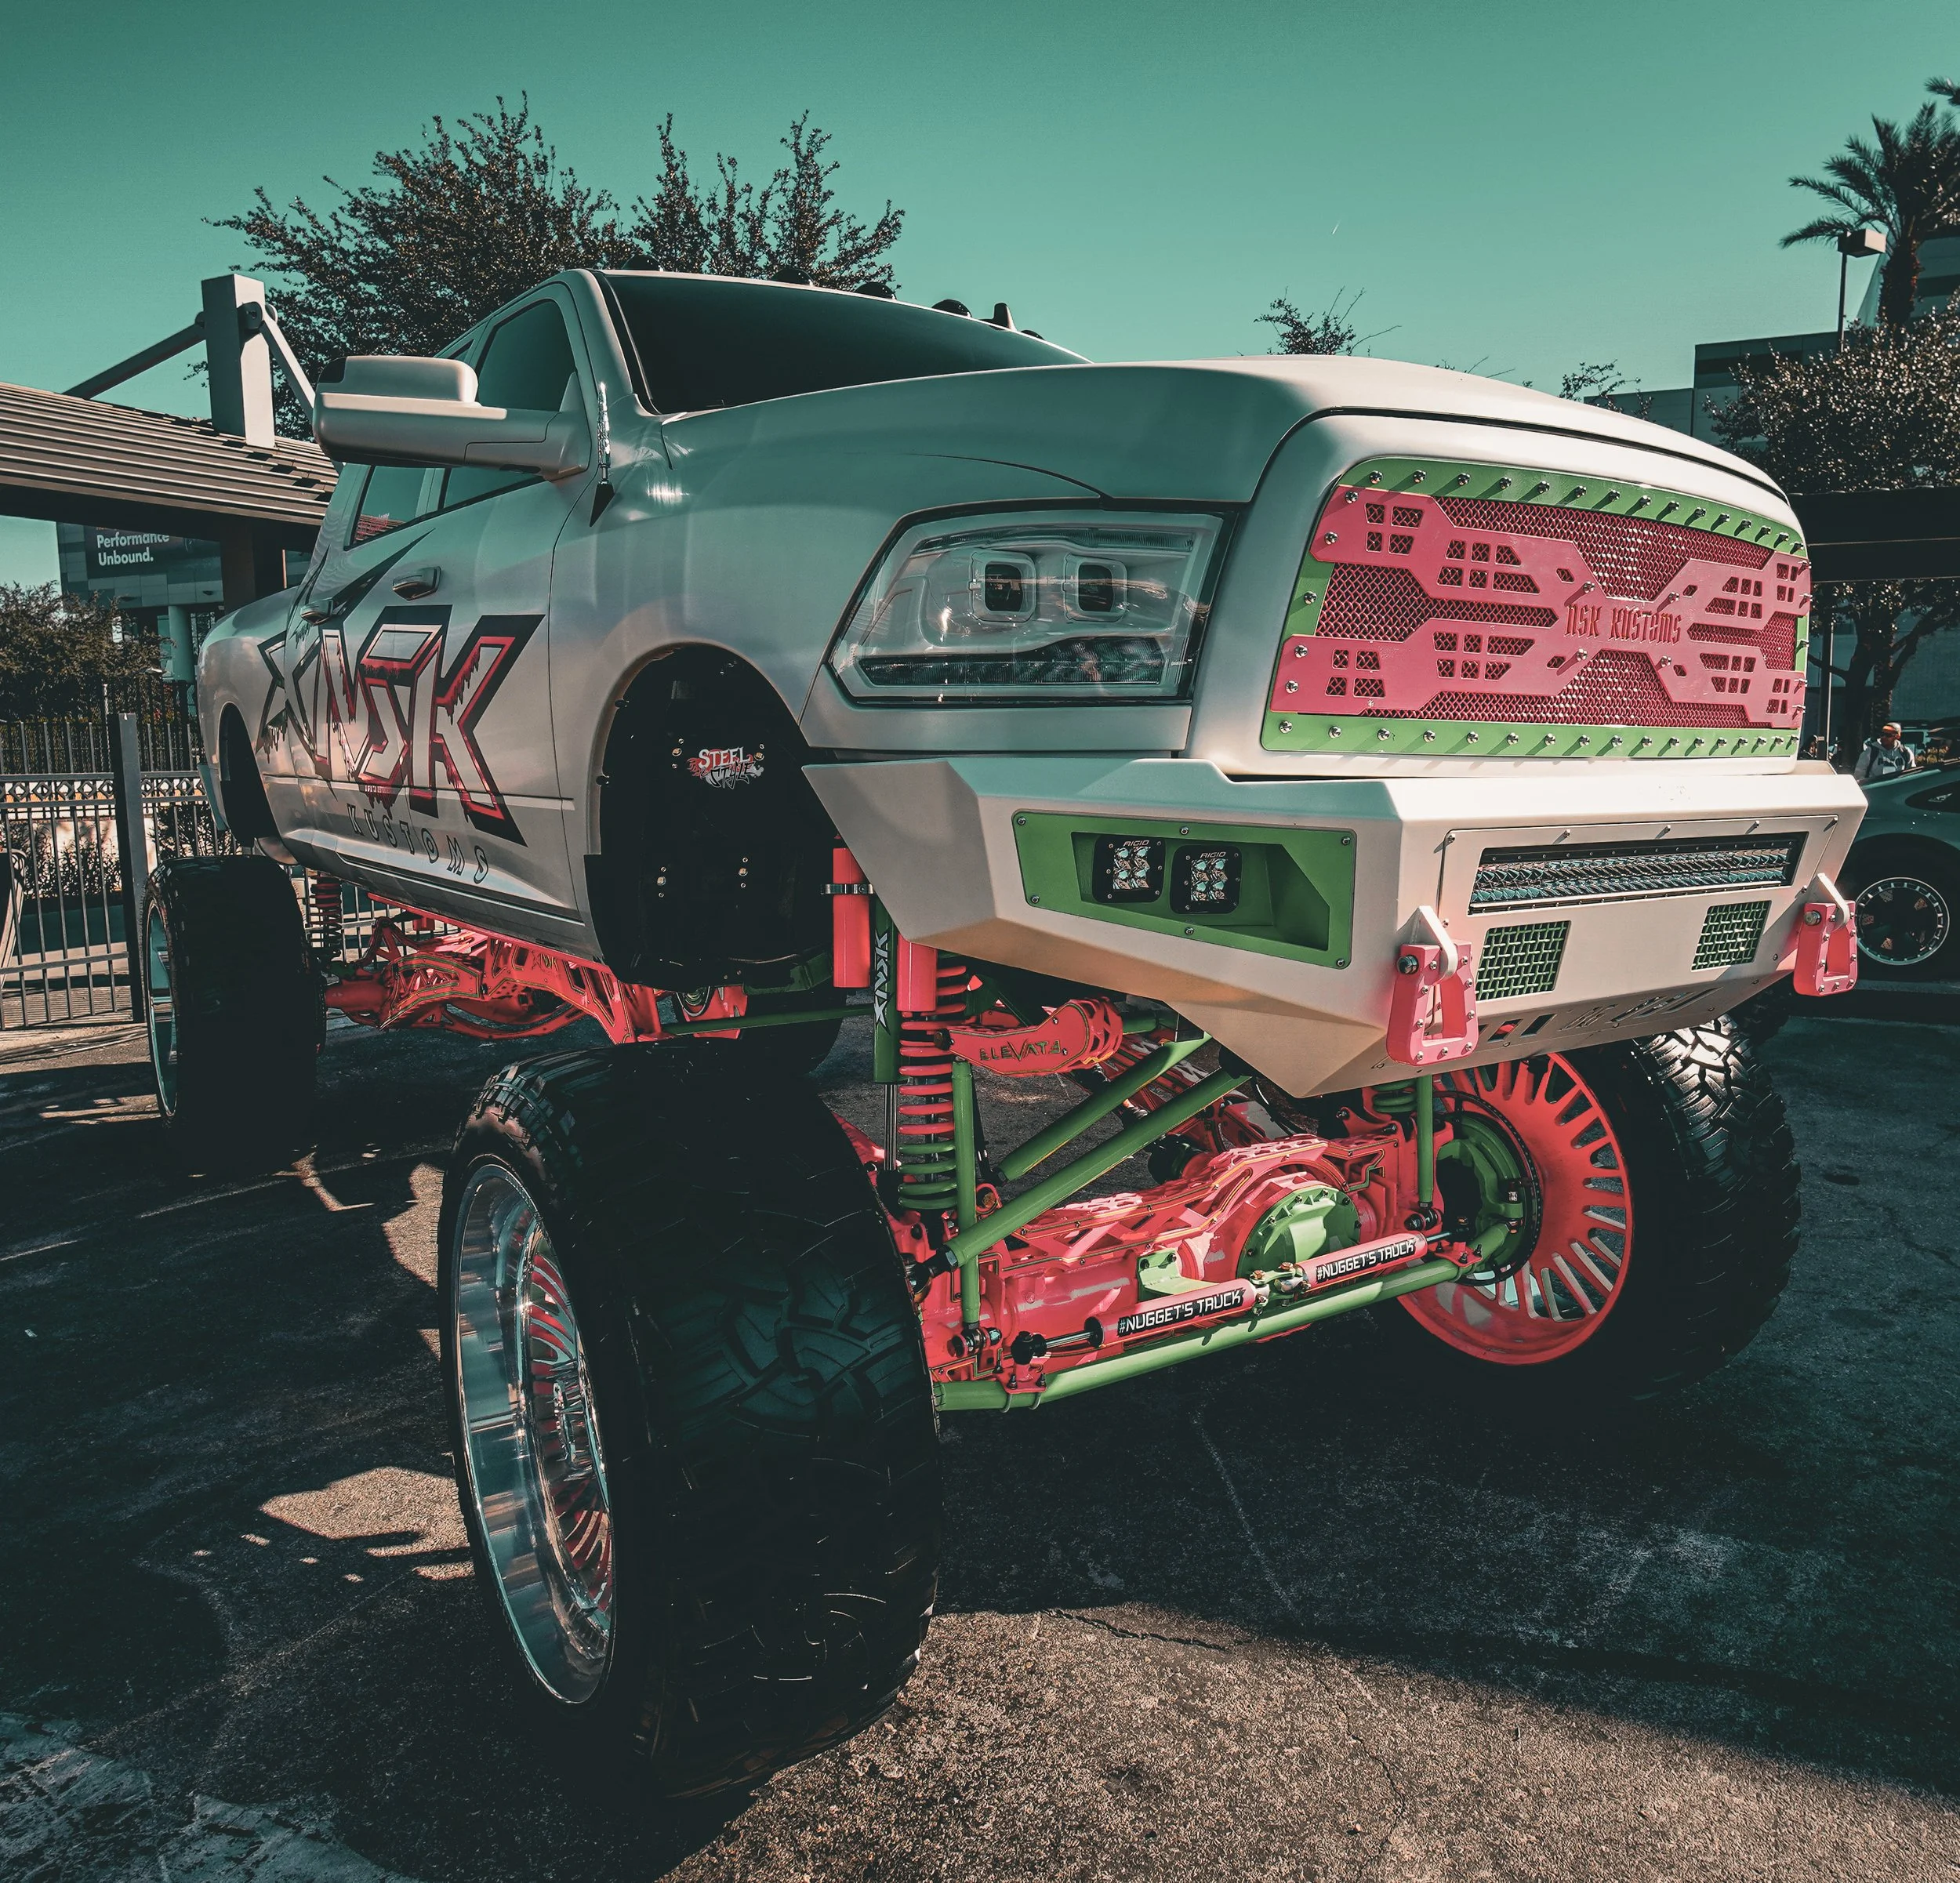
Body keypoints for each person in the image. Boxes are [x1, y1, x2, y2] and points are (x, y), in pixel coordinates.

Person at [1853, 721, 1918, 782]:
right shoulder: (1870, 752)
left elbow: (1912, 775)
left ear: (1897, 736)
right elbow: (1859, 775)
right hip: (1875, 790)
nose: (1883, 737)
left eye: (1888, 735)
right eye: (1882, 734)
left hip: (1898, 790)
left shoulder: (1905, 753)